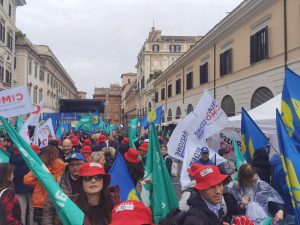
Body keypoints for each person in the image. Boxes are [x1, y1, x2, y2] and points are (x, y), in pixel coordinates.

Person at [24, 146, 66, 225]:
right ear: (57, 154)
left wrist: (41, 183)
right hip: (57, 200)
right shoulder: (63, 166)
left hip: (40, 202)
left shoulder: (40, 166)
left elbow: (27, 180)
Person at [42, 153, 85, 224]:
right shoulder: (59, 182)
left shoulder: (90, 182)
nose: (75, 167)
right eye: (72, 165)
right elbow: (49, 208)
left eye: (79, 164)